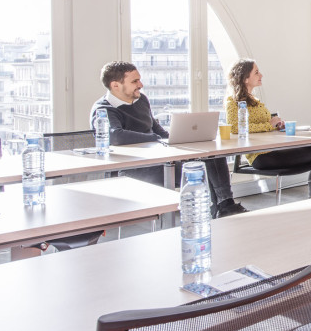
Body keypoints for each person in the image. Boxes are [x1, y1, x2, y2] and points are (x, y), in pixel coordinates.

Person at [90, 61, 246, 218]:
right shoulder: (104, 109)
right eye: (134, 81)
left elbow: (156, 129)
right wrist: (155, 139)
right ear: (115, 85)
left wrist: (176, 139)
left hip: (159, 157)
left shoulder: (141, 100)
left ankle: (225, 206)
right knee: (197, 170)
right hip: (133, 167)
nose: (141, 84)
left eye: (139, 79)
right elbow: (116, 136)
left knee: (212, 155)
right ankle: (215, 211)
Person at [224, 59, 311, 194]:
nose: (261, 75)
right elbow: (235, 128)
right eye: (256, 72)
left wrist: (277, 125)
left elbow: (263, 127)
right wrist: (269, 125)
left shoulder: (255, 101)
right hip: (261, 156)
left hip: (274, 149)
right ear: (245, 78)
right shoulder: (232, 102)